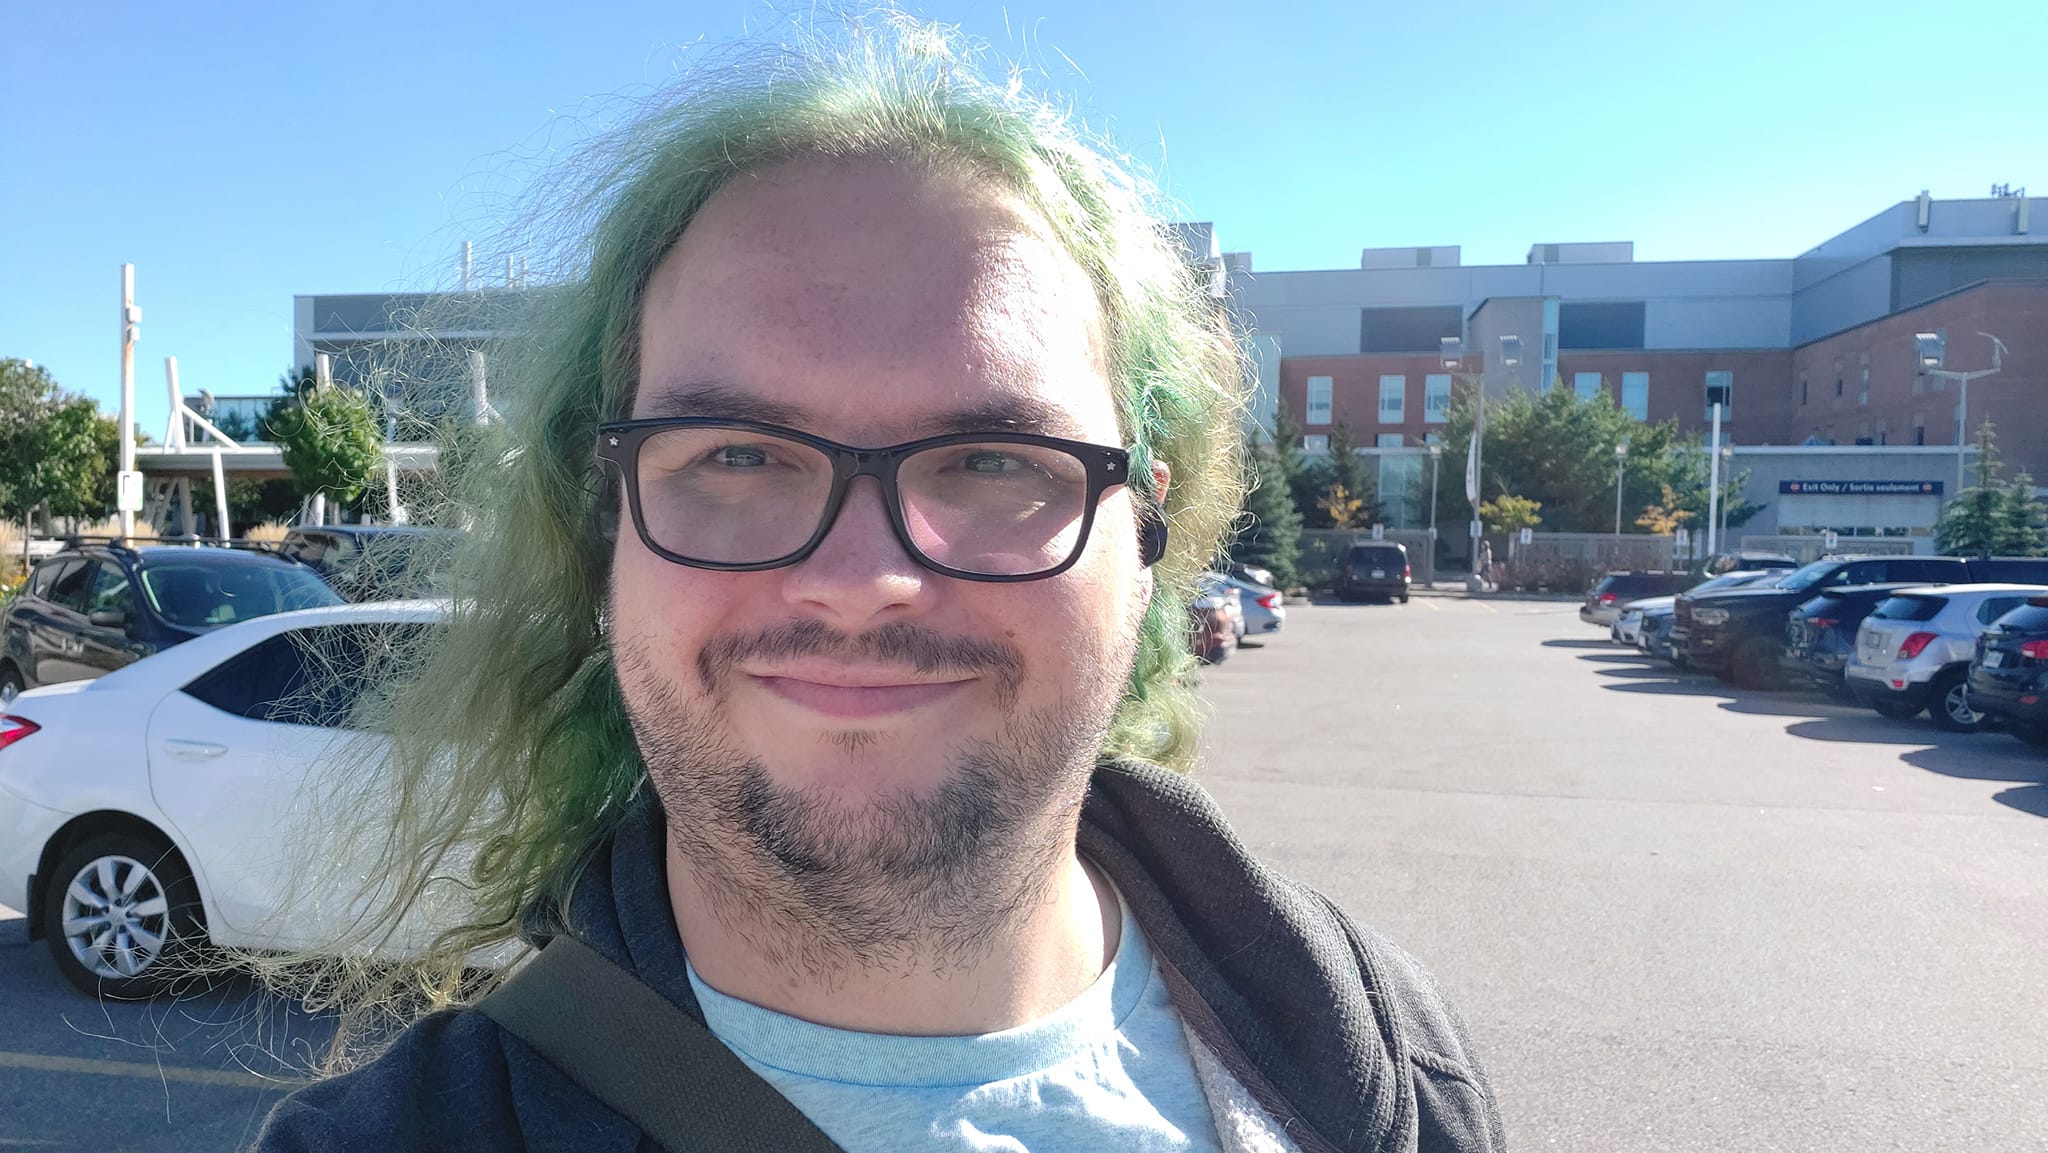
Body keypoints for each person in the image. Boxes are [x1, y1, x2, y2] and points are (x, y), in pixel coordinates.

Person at [252, 17, 1505, 1153]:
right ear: (601, 530)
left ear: (1144, 536)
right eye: (737, 455)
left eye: (991, 459)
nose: (859, 581)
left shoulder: (1384, 1060)